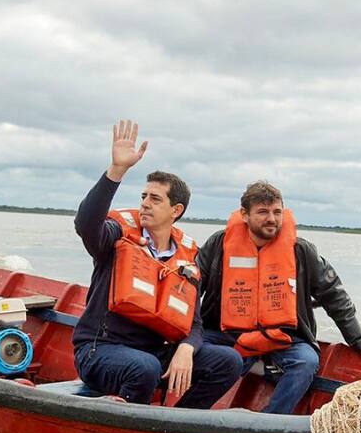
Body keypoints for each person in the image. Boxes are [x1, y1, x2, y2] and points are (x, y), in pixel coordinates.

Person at [72, 120, 243, 408]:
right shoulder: (115, 237)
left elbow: (194, 323)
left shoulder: (187, 259)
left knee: (228, 360)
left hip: (152, 353)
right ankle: (129, 426)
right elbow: (86, 224)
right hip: (100, 350)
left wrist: (187, 348)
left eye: (155, 199)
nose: (145, 204)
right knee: (145, 367)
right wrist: (117, 171)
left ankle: (179, 423)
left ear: (176, 210)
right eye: (143, 197)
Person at [196, 181, 361, 414]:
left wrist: (357, 338)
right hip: (227, 334)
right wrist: (183, 337)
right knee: (198, 354)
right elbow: (192, 287)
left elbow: (333, 293)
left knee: (306, 362)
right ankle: (192, 415)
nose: (272, 219)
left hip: (285, 337)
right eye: (263, 212)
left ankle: (267, 423)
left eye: (277, 212)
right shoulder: (219, 245)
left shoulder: (301, 251)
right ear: (244, 214)